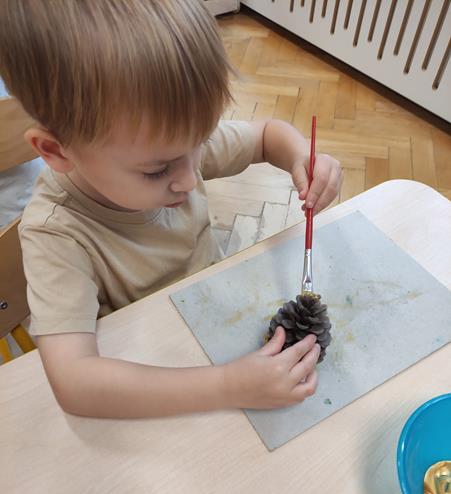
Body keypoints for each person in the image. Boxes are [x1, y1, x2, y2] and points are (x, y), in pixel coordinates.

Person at [0, 0, 342, 417]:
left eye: (198, 142)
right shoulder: (56, 233)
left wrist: (302, 156)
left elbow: (268, 134)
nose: (188, 178)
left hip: (214, 316)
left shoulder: (171, 146)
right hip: (152, 380)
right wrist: (228, 386)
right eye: (157, 170)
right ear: (55, 151)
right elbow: (76, 384)